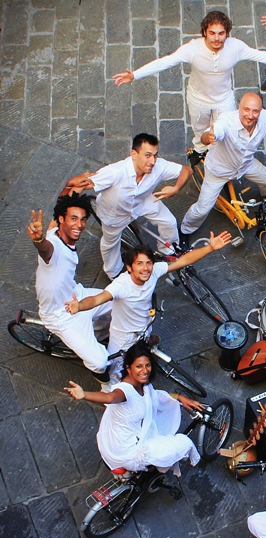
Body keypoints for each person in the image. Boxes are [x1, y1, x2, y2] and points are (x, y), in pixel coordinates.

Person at [112, 10, 266, 161]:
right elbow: (166, 61)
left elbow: (261, 55)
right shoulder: (192, 49)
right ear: (204, 32)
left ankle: (220, 161)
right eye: (212, 33)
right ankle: (198, 153)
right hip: (198, 99)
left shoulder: (236, 47)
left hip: (223, 99)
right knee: (200, 132)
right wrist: (135, 75)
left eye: (221, 33)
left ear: (227, 33)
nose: (217, 38)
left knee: (225, 134)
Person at [64, 231, 231, 383]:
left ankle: (146, 343)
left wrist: (210, 248)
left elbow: (183, 261)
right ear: (129, 268)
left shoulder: (154, 271)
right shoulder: (121, 285)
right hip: (123, 338)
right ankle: (111, 394)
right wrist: (79, 306)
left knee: (145, 341)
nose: (145, 268)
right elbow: (97, 299)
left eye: (148, 263)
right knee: (115, 371)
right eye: (139, 264)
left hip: (145, 325)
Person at [62, 133, 193, 280]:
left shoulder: (159, 166)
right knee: (110, 243)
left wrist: (176, 188)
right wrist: (65, 212)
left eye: (155, 155)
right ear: (134, 154)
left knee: (169, 221)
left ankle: (168, 251)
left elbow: (187, 170)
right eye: (147, 155)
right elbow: (78, 186)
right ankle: (113, 273)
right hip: (114, 213)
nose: (152, 161)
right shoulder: (114, 172)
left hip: (142, 201)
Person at [64, 342, 202, 476]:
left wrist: (179, 397)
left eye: (148, 365)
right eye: (139, 366)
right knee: (184, 443)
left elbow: (155, 396)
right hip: (125, 452)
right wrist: (84, 395)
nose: (145, 371)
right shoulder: (124, 391)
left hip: (113, 442)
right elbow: (109, 397)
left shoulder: (143, 386)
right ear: (129, 368)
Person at [179, 91, 266, 243]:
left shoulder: (265, 117)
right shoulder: (227, 121)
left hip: (246, 164)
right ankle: (185, 230)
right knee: (203, 208)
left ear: (261, 110)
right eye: (246, 109)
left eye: (255, 111)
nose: (250, 115)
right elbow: (213, 132)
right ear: (239, 107)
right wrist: (209, 137)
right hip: (218, 171)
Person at [28, 196, 112, 380]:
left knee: (119, 299)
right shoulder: (54, 247)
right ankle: (102, 380)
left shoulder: (55, 230)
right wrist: (38, 240)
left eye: (83, 219)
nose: (79, 225)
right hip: (61, 316)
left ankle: (97, 334)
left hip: (76, 295)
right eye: (73, 218)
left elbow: (62, 202)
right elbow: (45, 249)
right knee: (101, 363)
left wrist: (72, 186)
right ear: (61, 219)